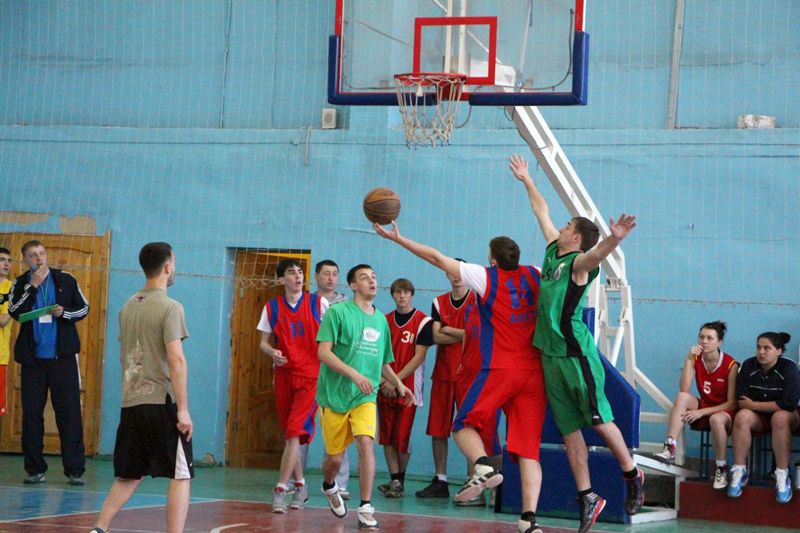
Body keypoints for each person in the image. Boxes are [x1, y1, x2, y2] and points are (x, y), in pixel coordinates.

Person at [375, 224, 547, 533]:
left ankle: (482, 466)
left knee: (462, 425)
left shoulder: (487, 277)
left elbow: (436, 258)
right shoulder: (536, 273)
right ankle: (529, 519)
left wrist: (399, 238)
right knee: (528, 452)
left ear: (492, 260)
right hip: (534, 374)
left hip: (500, 369)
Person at [509, 154, 644, 533]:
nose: (562, 226)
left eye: (568, 226)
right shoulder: (554, 250)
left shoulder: (580, 264)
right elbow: (541, 210)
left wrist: (615, 239)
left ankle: (632, 474)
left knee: (598, 421)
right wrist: (527, 179)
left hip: (575, 355)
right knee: (569, 431)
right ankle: (587, 495)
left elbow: (598, 253)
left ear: (577, 238)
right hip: (550, 356)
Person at [90, 242, 193, 533]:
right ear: (168, 266)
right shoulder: (171, 307)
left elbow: (124, 356)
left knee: (130, 474)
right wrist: (183, 410)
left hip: (131, 402)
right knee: (181, 474)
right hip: (161, 402)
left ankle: (99, 528)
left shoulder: (127, 307)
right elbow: (176, 359)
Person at [316, 264, 413, 530]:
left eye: (373, 277)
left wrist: (399, 384)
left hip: (365, 397)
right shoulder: (337, 313)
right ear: (353, 285)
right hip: (335, 395)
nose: (371, 281)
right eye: (364, 278)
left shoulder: (381, 320)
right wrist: (354, 375)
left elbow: (383, 363)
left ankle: (366, 507)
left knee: (366, 443)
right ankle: (329, 485)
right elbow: (323, 352)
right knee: (334, 459)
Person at [8, 240, 89, 485]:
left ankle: (75, 470)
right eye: (33, 255)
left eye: (42, 253)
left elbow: (84, 308)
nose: (39, 258)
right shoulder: (20, 283)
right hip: (33, 361)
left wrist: (64, 313)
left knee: (69, 413)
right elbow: (15, 312)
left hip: (62, 359)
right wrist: (33, 286)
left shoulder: (65, 279)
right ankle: (35, 469)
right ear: (26, 260)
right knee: (32, 415)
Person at [257, 259, 328, 513]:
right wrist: (272, 352)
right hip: (284, 376)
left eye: (300, 272)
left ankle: (280, 489)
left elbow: (332, 337)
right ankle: (301, 485)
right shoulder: (272, 307)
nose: (298, 276)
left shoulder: (318, 304)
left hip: (310, 376)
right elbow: (263, 342)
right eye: (291, 272)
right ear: (281, 279)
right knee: (291, 435)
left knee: (294, 432)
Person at [654, 321, 738, 490]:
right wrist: (688, 360)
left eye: (709, 338)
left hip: (724, 412)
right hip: (705, 406)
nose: (704, 341)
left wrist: (701, 412)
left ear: (719, 342)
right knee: (682, 397)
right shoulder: (696, 358)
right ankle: (669, 447)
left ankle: (721, 469)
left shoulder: (731, 365)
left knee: (716, 419)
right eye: (701, 337)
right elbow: (684, 388)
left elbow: (731, 404)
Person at [416, 266, 473, 500]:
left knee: (470, 428)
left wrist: (449, 329)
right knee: (438, 429)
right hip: (442, 372)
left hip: (468, 373)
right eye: (452, 273)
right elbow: (436, 336)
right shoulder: (439, 302)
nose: (456, 276)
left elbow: (476, 334)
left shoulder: (477, 300)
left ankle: (472, 481)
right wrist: (462, 334)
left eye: (460, 273)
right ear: (447, 275)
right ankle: (441, 479)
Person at [727, 332, 799, 503]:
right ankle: (739, 471)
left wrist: (754, 405)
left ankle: (782, 475)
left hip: (789, 416)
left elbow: (787, 404)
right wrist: (752, 407)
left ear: (779, 351)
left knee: (779, 418)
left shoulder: (789, 368)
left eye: (767, 348)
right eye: (759, 347)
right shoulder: (749, 365)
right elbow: (742, 401)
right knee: (742, 417)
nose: (761, 352)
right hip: (760, 417)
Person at [377, 278, 432, 498]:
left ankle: (400, 479)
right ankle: (395, 480)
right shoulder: (383, 320)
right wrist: (384, 381)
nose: (402, 296)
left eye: (406, 292)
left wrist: (396, 381)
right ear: (392, 295)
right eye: (398, 292)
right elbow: (377, 355)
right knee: (387, 437)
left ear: (412, 294)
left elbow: (419, 357)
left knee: (402, 437)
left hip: (409, 388)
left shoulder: (423, 321)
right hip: (385, 386)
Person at [311, 259, 351, 499]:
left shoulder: (346, 306)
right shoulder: (307, 302)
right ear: (316, 276)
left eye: (335, 274)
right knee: (301, 430)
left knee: (339, 430)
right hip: (309, 370)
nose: (330, 278)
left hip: (336, 375)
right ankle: (296, 482)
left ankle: (340, 483)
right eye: (326, 273)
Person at [0, 247, 12, 417]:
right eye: (2, 259)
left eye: (9, 260)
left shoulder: (12, 289)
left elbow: (3, 320)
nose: (6, 264)